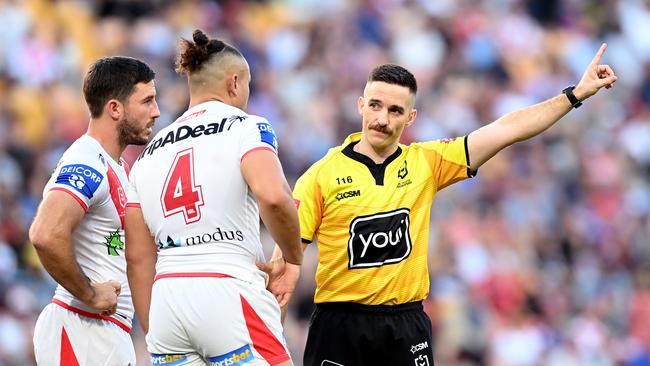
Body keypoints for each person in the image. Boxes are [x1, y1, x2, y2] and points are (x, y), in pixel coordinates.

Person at [280, 44, 617, 365]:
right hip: (340, 324)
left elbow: (506, 130)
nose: (382, 119)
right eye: (375, 105)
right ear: (360, 105)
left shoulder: (427, 161)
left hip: (405, 321)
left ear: (410, 117)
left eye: (395, 110)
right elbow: (287, 261)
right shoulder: (321, 175)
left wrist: (574, 95)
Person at [124, 29, 303, 366]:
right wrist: (292, 257)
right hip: (228, 290)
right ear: (234, 83)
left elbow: (137, 256)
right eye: (248, 86)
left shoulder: (148, 155)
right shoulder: (247, 127)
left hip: (167, 301)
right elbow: (274, 197)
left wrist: (156, 331)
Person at [29, 56, 160, 365]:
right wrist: (89, 294)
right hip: (81, 328)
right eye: (147, 101)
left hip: (106, 332)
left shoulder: (116, 166)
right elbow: (45, 234)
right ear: (115, 108)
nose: (156, 112)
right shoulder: (87, 162)